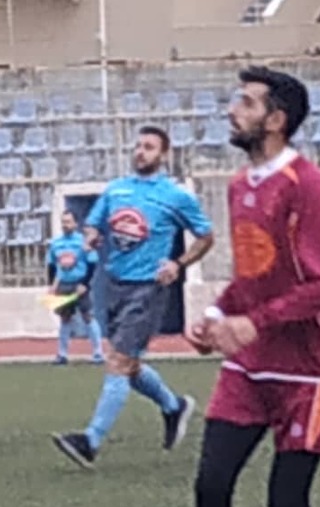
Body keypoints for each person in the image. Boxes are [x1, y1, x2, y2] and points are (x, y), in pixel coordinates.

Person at [153, 66, 320, 507]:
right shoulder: (241, 185)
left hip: (311, 371)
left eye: (245, 102)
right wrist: (216, 315)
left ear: (276, 119)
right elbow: (252, 277)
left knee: (284, 498)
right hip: (251, 366)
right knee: (211, 486)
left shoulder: (307, 185)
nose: (232, 110)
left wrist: (254, 324)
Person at [51, 126, 214, 469]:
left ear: (164, 154)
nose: (141, 152)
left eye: (149, 147)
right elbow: (93, 225)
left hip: (147, 289)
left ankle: (90, 440)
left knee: (118, 362)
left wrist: (178, 263)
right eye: (138, 146)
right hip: (115, 285)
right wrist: (91, 236)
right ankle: (174, 407)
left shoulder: (175, 195)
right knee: (130, 364)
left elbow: (205, 237)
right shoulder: (116, 189)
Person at [45, 209, 104, 365]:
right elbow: (51, 266)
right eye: (63, 222)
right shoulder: (56, 243)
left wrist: (85, 283)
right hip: (63, 285)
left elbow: (92, 263)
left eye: (68, 222)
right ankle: (62, 354)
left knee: (87, 316)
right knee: (65, 318)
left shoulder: (83, 242)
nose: (65, 225)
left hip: (79, 284)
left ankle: (98, 353)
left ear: (75, 224)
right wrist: (51, 285)